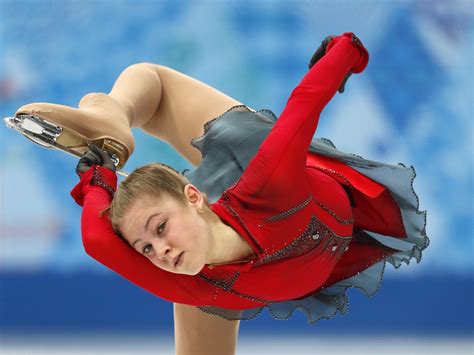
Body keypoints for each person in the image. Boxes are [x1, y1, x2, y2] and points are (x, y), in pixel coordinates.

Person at [12, 32, 429, 355]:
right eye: (145, 248)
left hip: (247, 159)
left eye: (159, 230)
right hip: (213, 238)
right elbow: (98, 239)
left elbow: (306, 103)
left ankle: (111, 112)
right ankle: (106, 125)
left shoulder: (272, 184)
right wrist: (98, 178)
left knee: (153, 83)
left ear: (193, 197)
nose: (160, 252)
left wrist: (347, 50)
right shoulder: (182, 277)